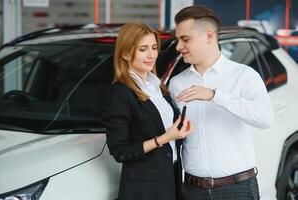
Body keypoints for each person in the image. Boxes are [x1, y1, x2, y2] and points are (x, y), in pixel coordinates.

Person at [168, 5, 274, 200]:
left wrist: (215, 95)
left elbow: (264, 118)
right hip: (193, 190)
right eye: (178, 40)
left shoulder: (244, 75)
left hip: (237, 189)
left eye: (185, 39)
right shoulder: (176, 84)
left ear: (209, 36)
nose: (178, 47)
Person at [102, 22, 193, 200]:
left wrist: (181, 130)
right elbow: (120, 151)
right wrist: (165, 138)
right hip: (144, 190)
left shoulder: (158, 86)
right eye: (143, 49)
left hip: (171, 177)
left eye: (153, 47)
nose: (151, 55)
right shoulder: (119, 92)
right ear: (126, 53)